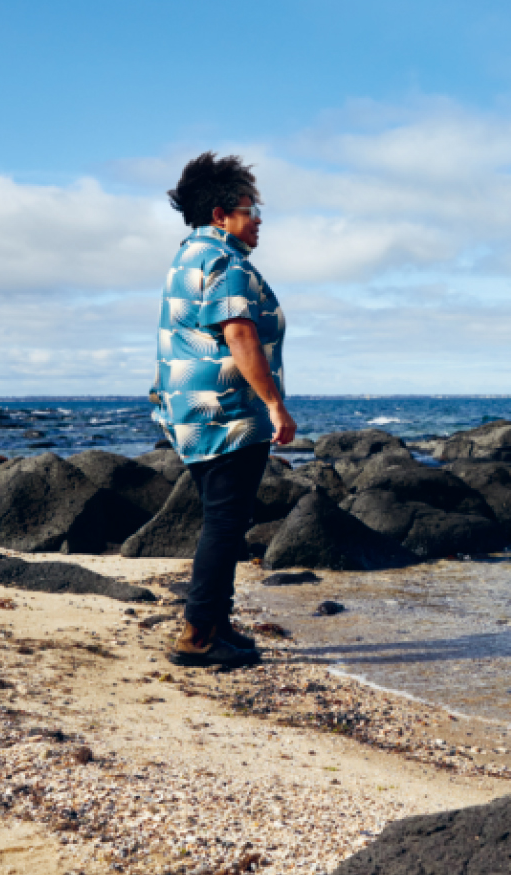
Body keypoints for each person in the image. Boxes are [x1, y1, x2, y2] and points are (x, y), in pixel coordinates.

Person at [151, 152, 297, 668]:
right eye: (250, 207)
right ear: (220, 214)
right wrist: (275, 406)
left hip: (192, 414)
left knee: (223, 522)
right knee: (224, 525)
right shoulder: (227, 262)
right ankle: (197, 636)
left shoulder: (188, 255)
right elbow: (239, 334)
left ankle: (215, 622)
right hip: (228, 415)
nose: (257, 218)